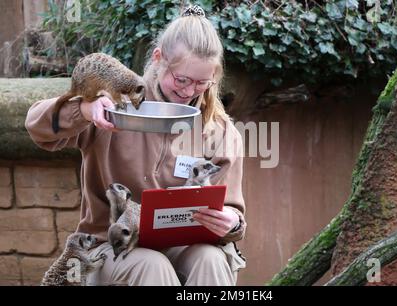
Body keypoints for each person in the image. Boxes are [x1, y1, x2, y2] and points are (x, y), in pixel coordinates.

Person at [25, 5, 246, 286]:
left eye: (202, 83)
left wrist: (232, 223)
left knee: (210, 259)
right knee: (151, 266)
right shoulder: (116, 107)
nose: (189, 91)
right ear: (158, 58)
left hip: (185, 244)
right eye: (181, 79)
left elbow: (234, 212)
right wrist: (83, 110)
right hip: (113, 246)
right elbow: (36, 128)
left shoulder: (220, 130)